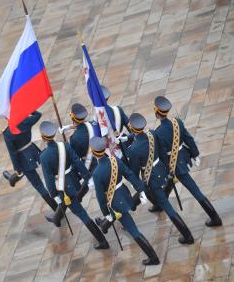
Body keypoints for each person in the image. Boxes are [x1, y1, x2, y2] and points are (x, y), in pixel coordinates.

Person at [153, 96, 222, 227]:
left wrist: (166, 170)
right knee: (170, 184)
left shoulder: (158, 133)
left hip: (174, 165)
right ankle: (160, 202)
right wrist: (195, 154)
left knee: (194, 190)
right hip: (183, 157)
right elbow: (188, 139)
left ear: (157, 114)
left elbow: (162, 156)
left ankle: (215, 218)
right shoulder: (177, 122)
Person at [39, 121, 109, 250]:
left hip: (64, 189)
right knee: (73, 206)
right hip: (74, 181)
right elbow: (77, 161)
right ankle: (57, 217)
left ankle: (102, 241)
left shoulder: (44, 156)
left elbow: (49, 179)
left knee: (82, 214)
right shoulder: (64, 145)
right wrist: (87, 177)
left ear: (43, 137)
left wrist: (54, 195)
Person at [90, 136, 159, 265]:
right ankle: (104, 224)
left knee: (133, 230)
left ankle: (153, 257)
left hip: (115, 204)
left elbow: (100, 197)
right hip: (124, 194)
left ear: (93, 153)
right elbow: (130, 175)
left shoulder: (97, 173)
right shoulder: (115, 160)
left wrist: (106, 214)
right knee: (131, 227)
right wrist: (140, 190)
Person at [127, 113, 194, 244]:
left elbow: (134, 172)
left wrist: (135, 184)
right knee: (160, 200)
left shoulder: (134, 149)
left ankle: (187, 236)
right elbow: (162, 152)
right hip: (162, 170)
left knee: (168, 207)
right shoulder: (152, 134)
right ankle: (153, 205)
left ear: (133, 129)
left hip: (152, 178)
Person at [2, 111, 57, 212]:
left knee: (38, 185)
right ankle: (12, 179)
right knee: (50, 172)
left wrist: (17, 169)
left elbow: (13, 154)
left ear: (6, 118)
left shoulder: (7, 134)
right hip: (33, 150)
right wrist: (26, 109)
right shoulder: (25, 121)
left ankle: (56, 208)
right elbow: (38, 115)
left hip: (24, 159)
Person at [60, 103, 97, 200]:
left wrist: (67, 147)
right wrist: (68, 127)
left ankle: (76, 197)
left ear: (72, 118)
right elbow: (83, 125)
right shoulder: (91, 125)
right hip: (98, 156)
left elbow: (75, 157)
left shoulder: (75, 138)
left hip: (88, 164)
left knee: (72, 179)